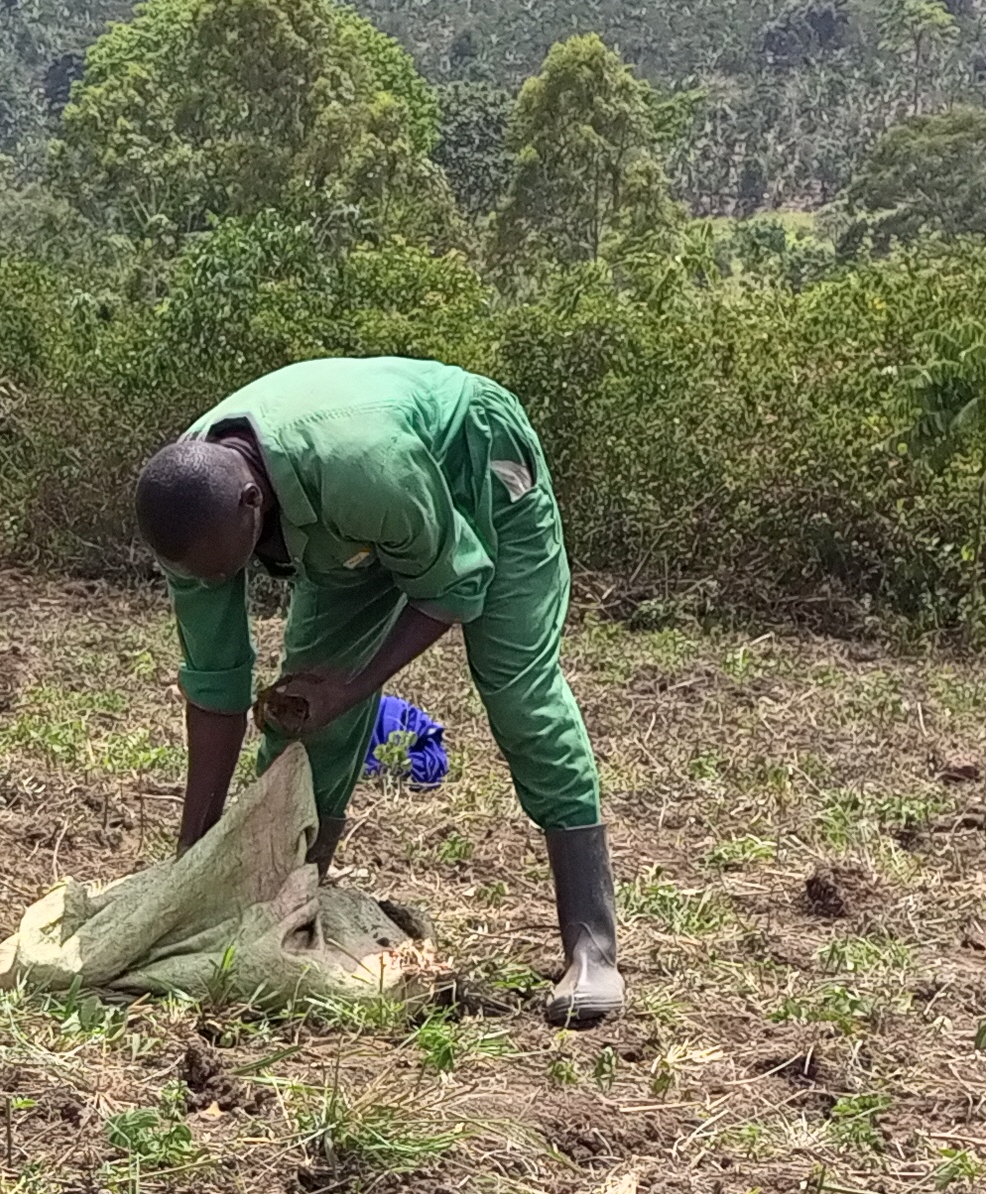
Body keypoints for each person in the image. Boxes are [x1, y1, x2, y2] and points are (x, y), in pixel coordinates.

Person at [134, 356, 622, 1024]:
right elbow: (216, 685)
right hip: (348, 529)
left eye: (240, 564)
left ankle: (591, 946)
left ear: (253, 502)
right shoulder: (188, 507)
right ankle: (290, 907)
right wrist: (188, 865)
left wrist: (358, 685)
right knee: (305, 715)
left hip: (473, 467)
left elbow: (455, 582)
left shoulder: (364, 463)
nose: (230, 580)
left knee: (517, 692)